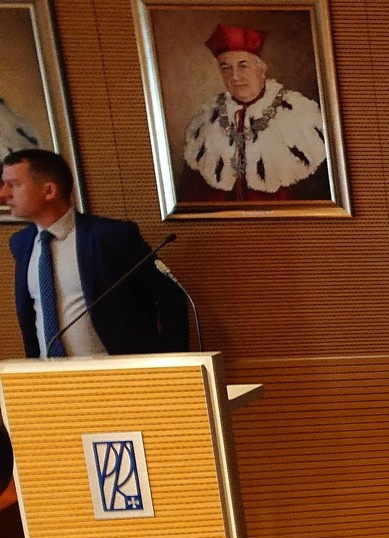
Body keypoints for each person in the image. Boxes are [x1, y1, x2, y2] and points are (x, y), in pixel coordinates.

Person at [3, 149, 189, 358]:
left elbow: (170, 297)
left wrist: (172, 360)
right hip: (50, 373)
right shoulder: (21, 243)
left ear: (49, 191)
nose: (4, 194)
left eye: (14, 185)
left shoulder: (112, 237)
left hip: (117, 370)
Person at [180, 24, 329, 203]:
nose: (235, 76)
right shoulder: (207, 118)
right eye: (226, 68)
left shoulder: (297, 113)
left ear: (262, 69)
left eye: (243, 66)